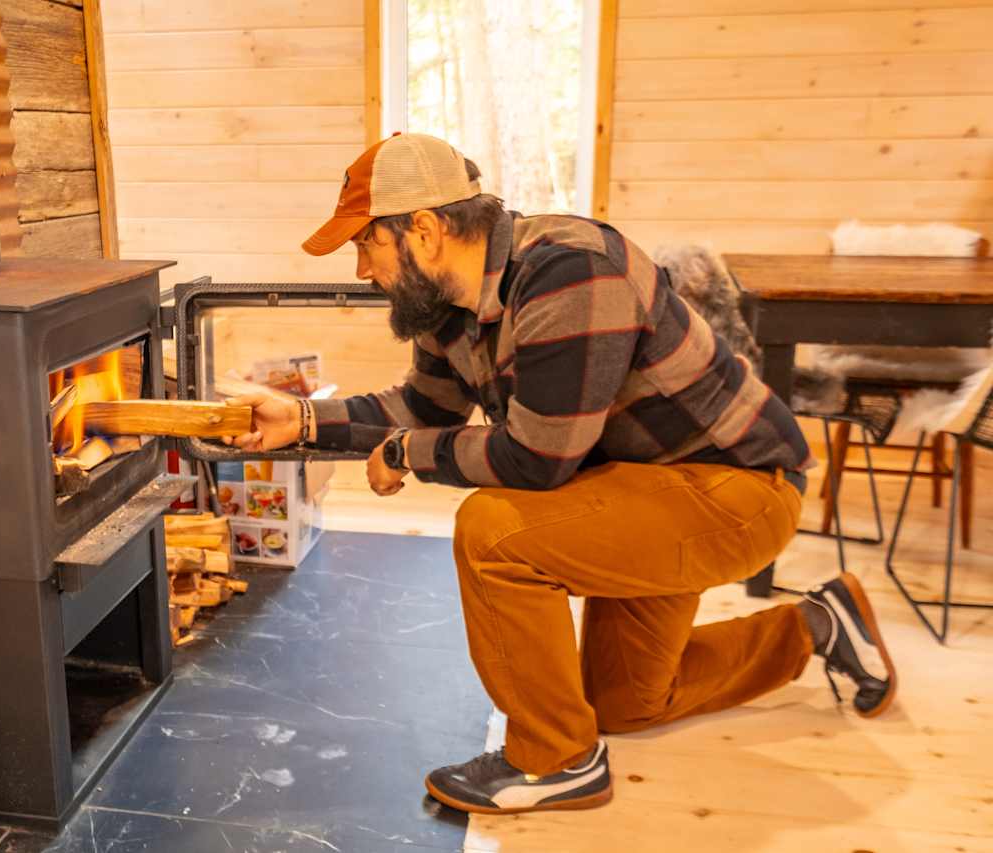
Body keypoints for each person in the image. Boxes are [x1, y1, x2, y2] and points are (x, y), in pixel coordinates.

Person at [223, 133, 896, 815]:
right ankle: (817, 623)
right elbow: (424, 406)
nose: (363, 268)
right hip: (639, 486)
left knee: (493, 530)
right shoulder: (448, 304)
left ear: (423, 231)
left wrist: (405, 453)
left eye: (367, 244)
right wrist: (302, 421)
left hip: (737, 491)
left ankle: (555, 759)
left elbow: (536, 460)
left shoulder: (571, 273)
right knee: (626, 701)